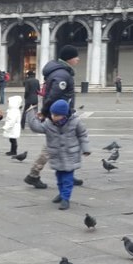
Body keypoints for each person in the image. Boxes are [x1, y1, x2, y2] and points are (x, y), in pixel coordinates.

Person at [24, 44, 81, 190]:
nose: (78, 60)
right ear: (69, 58)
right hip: (59, 116)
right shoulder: (62, 74)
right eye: (76, 57)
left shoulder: (60, 72)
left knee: (68, 142)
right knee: (52, 146)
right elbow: (53, 95)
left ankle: (68, 172)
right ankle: (33, 174)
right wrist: (44, 111)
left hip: (62, 114)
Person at [24, 99, 90, 211]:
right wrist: (30, 113)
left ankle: (65, 199)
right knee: (59, 178)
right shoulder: (49, 123)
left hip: (70, 155)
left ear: (64, 115)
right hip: (57, 156)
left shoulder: (75, 122)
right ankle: (61, 194)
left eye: (56, 115)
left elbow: (82, 135)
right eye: (52, 114)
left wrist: (86, 149)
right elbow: (36, 127)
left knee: (68, 179)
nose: (53, 116)